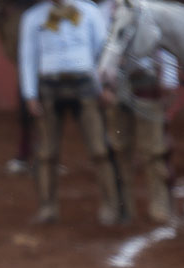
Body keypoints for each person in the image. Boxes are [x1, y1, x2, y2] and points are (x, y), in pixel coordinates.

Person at [19, 0, 122, 224]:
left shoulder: (89, 12)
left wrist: (106, 86)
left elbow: (102, 51)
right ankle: (47, 208)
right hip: (49, 86)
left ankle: (111, 206)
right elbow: (28, 57)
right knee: (47, 152)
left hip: (84, 85)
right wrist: (30, 94)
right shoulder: (33, 18)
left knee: (99, 148)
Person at [99, 0, 179, 223]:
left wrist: (170, 80)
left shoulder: (149, 9)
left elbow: (166, 45)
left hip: (145, 81)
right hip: (116, 86)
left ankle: (160, 203)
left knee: (154, 148)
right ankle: (123, 206)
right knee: (119, 148)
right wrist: (102, 86)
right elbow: (95, 49)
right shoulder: (102, 12)